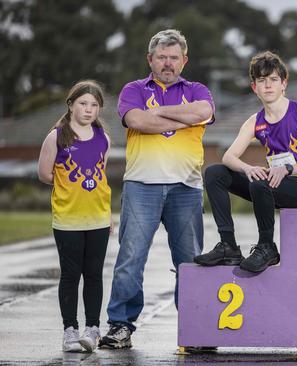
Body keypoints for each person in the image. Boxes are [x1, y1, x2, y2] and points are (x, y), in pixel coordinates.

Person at [99, 29, 215, 349]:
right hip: (141, 185)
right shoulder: (133, 89)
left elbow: (204, 112)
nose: (167, 63)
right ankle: (121, 325)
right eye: (161, 57)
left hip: (186, 187)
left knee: (189, 261)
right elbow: (137, 121)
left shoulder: (197, 89)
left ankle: (194, 329)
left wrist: (160, 112)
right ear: (150, 59)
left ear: (184, 60)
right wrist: (185, 118)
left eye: (173, 57)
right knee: (131, 257)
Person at [194, 51, 297, 273]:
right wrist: (248, 167)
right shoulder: (255, 121)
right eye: (262, 81)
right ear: (254, 87)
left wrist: (287, 169)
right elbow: (228, 156)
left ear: (284, 84)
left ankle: (267, 247)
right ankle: (228, 245)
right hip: (269, 185)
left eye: (273, 80)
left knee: (260, 182)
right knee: (215, 173)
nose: (268, 86)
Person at [37, 80, 112, 352]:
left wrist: (108, 215)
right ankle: (70, 331)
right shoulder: (56, 136)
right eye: (83, 103)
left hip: (99, 218)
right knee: (71, 274)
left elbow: (101, 177)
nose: (89, 109)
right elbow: (45, 173)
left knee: (94, 275)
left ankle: (92, 329)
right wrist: (69, 190)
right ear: (71, 105)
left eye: (94, 105)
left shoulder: (103, 136)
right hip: (68, 218)